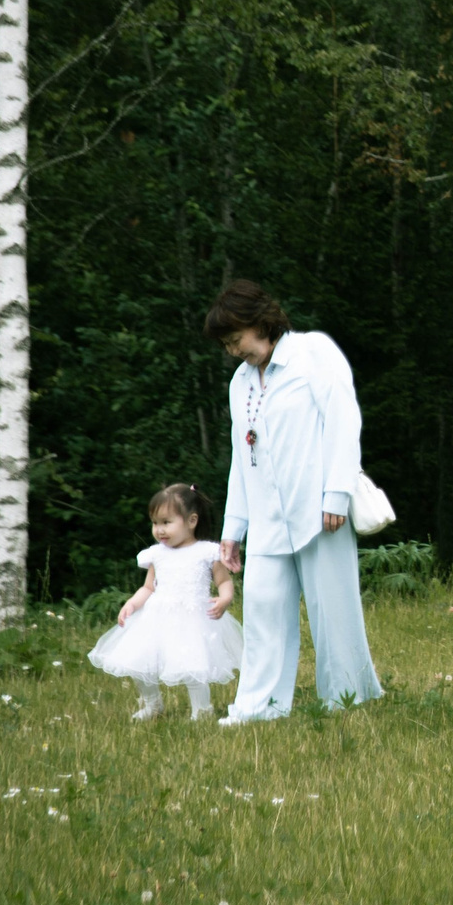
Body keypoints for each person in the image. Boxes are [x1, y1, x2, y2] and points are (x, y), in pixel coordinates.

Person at [205, 279, 383, 723]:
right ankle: (258, 708)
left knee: (334, 613)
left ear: (259, 321)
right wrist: (233, 529)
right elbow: (242, 456)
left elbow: (343, 422)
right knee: (263, 612)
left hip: (321, 513)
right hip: (266, 519)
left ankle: (348, 699)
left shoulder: (312, 353)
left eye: (235, 339)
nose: (233, 350)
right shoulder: (240, 382)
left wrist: (336, 494)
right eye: (226, 344)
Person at [85, 483, 241, 721]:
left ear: (191, 521)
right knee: (139, 660)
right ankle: (152, 703)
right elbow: (149, 587)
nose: (159, 530)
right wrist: (132, 604)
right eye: (155, 523)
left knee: (193, 664)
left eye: (166, 522)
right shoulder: (157, 554)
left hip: (193, 618)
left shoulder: (207, 552)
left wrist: (225, 598)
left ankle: (201, 709)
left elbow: (224, 581)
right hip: (157, 617)